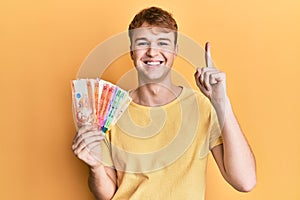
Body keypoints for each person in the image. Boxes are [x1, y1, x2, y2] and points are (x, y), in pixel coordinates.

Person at [72, 6, 256, 200]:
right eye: (143, 43)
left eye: (163, 43)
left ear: (175, 51)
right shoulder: (111, 110)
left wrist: (221, 102)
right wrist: (96, 167)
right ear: (132, 52)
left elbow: (245, 182)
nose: (153, 52)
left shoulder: (200, 106)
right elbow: (108, 195)